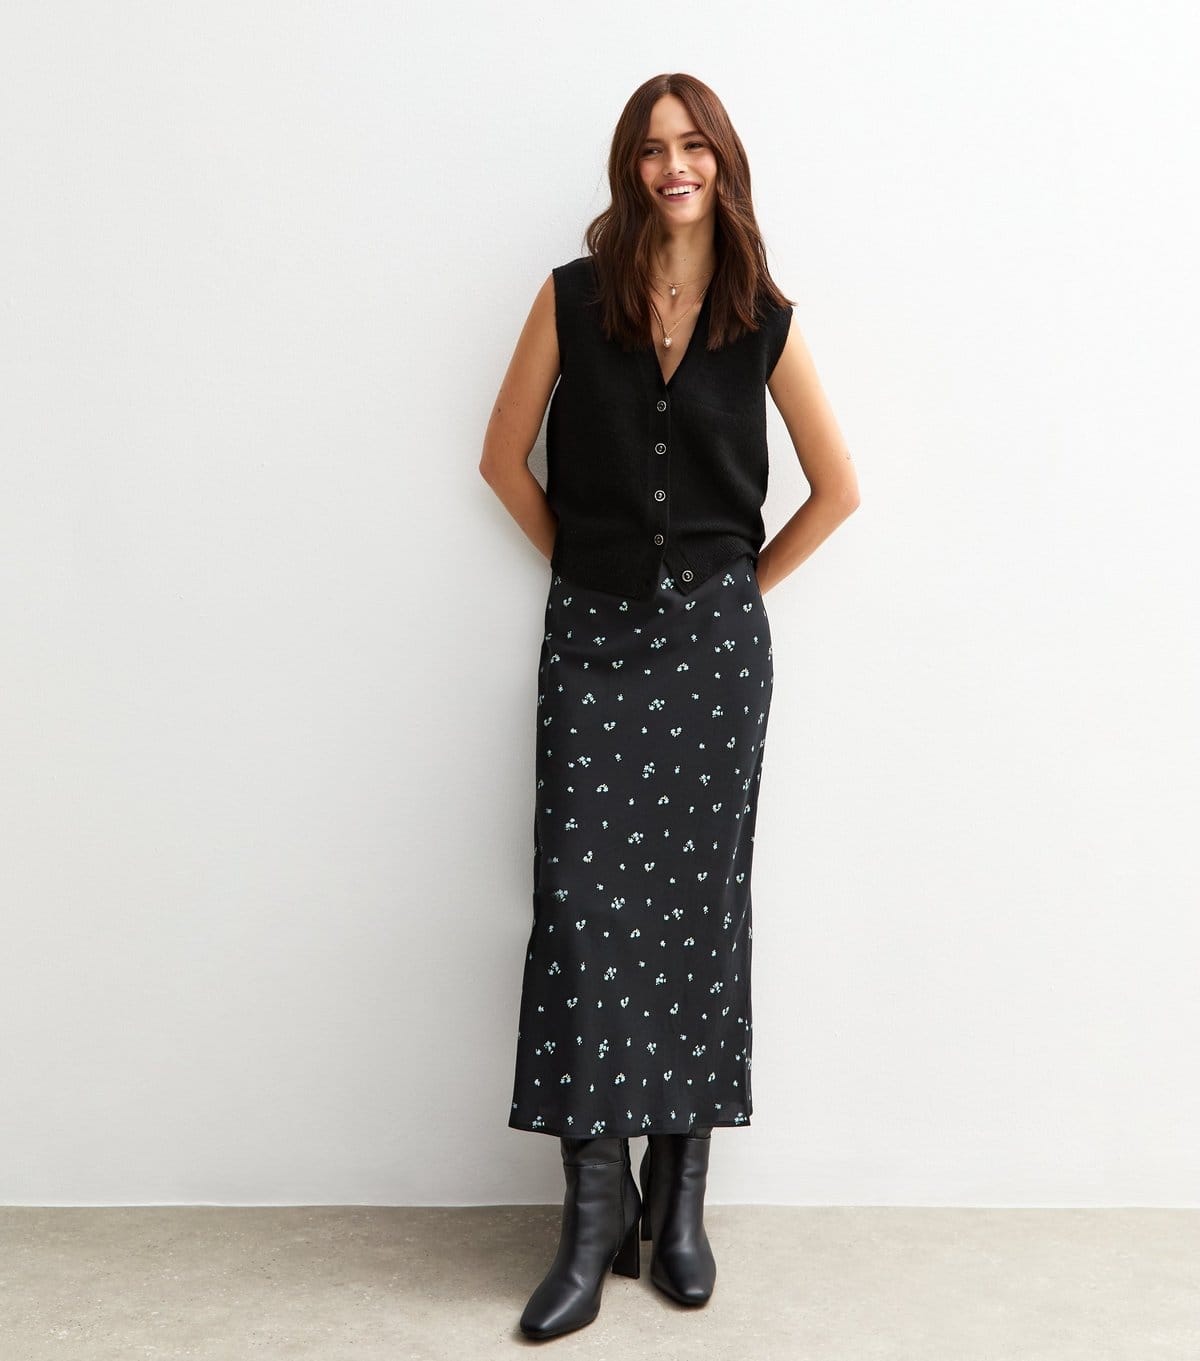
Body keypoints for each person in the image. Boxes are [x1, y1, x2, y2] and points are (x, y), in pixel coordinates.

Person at [479, 72, 860, 1341]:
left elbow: (838, 489)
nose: (674, 165)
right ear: (628, 168)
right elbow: (501, 458)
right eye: (653, 148)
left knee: (697, 912)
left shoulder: (766, 320)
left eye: (694, 145)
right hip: (591, 642)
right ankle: (594, 1216)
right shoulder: (570, 297)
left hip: (714, 656)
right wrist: (590, 571)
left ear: (723, 164)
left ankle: (679, 1199)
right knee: (580, 916)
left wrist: (730, 592)